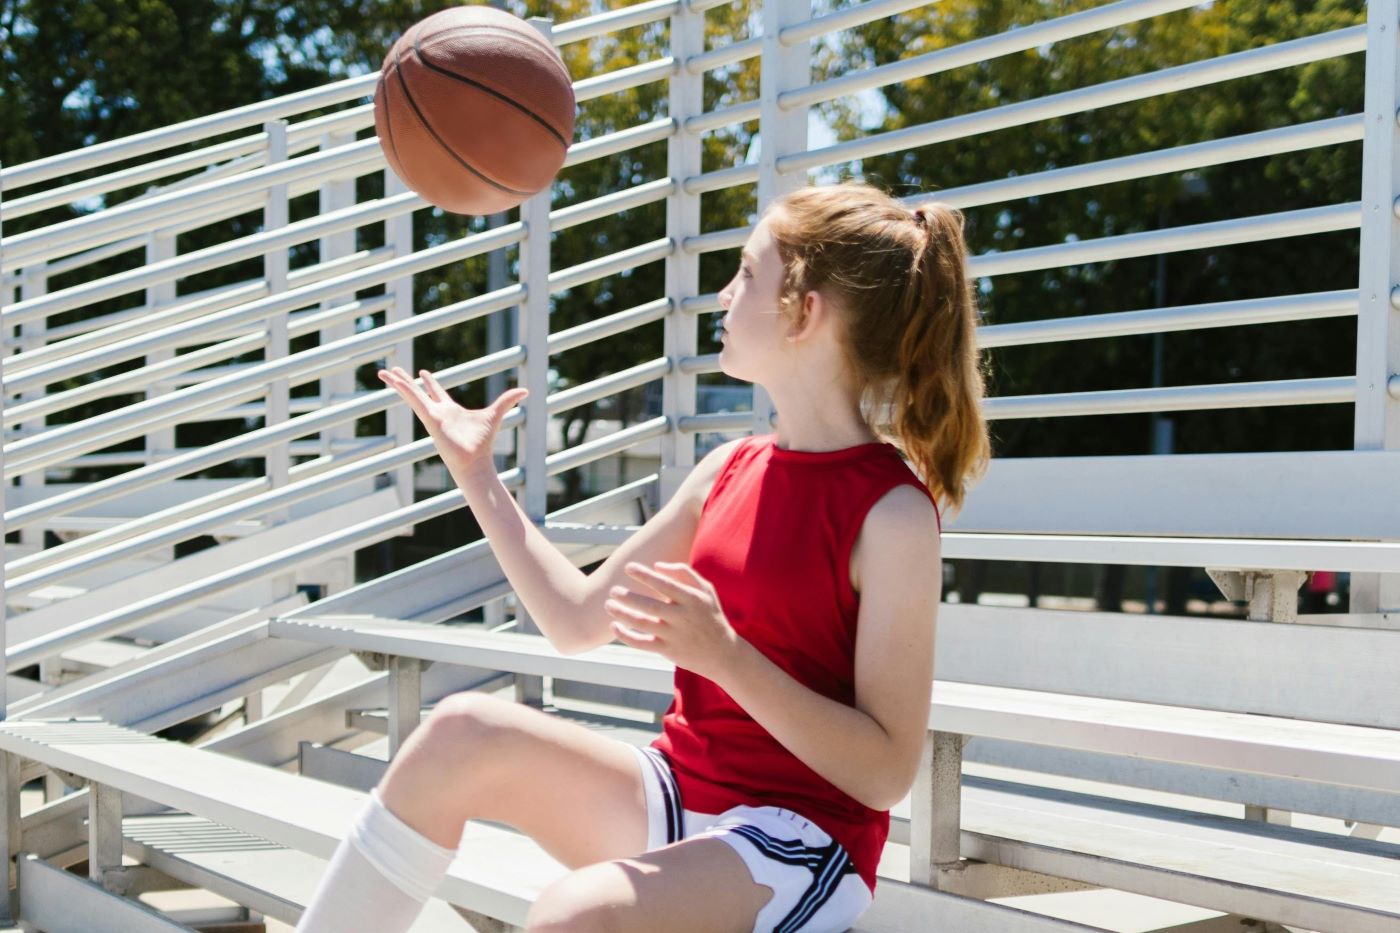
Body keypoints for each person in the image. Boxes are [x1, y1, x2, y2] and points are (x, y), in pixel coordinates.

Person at [296, 180, 991, 933]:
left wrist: (726, 657)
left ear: (804, 310)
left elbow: (885, 771)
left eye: (748, 274)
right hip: (675, 794)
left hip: (801, 842)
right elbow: (572, 620)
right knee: (460, 732)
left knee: (573, 913)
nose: (724, 293)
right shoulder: (724, 470)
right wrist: (477, 475)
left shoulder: (892, 514)